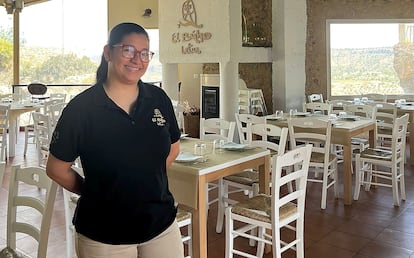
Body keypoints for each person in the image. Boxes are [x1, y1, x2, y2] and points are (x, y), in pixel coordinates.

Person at [46, 22, 183, 258]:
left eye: (144, 53)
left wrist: (145, 180)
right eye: (128, 50)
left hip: (161, 225)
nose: (137, 60)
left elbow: (173, 147)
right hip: (104, 235)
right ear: (108, 52)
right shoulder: (82, 109)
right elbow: (56, 168)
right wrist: (94, 190)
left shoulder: (158, 99)